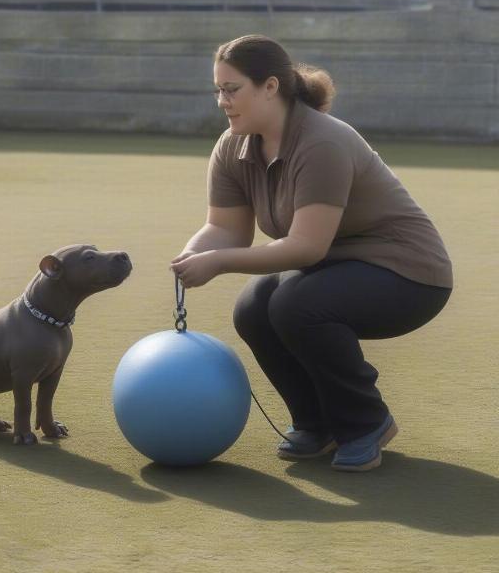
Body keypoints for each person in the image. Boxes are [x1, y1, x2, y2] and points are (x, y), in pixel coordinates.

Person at [170, 35, 453, 472]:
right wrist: (192, 256)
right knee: (253, 307)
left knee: (294, 303)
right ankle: (315, 424)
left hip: (409, 274)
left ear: (270, 87)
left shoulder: (322, 142)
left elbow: (307, 246)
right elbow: (226, 229)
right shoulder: (233, 145)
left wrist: (219, 263)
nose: (222, 101)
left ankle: (365, 423)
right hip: (335, 267)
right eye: (218, 90)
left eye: (232, 89)